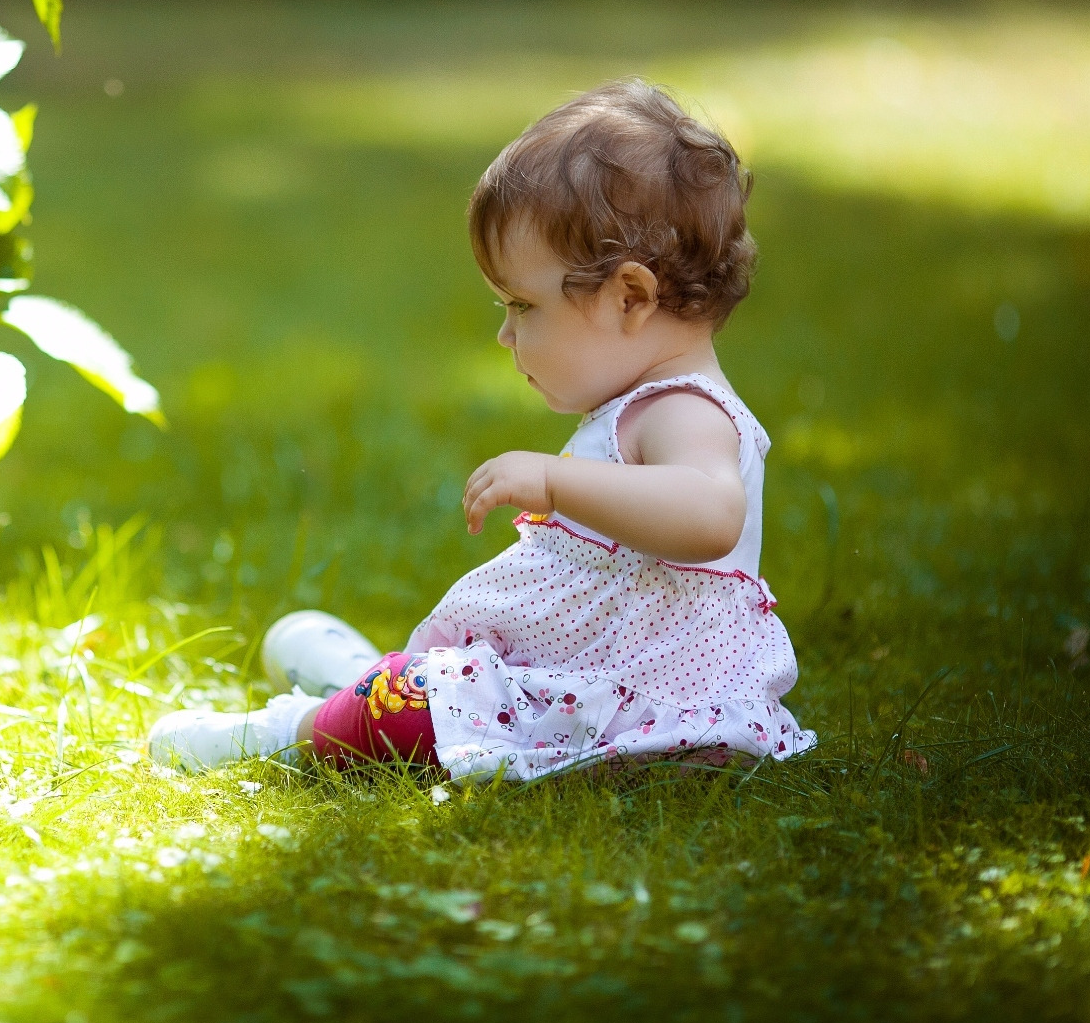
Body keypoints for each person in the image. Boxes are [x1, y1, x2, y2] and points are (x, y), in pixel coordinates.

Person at [149, 79, 815, 780]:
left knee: (410, 709)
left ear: (630, 296)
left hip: (649, 710)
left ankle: (289, 730)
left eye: (523, 306)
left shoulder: (686, 411)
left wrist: (557, 480)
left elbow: (712, 514)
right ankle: (365, 680)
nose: (505, 334)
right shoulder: (645, 403)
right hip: (587, 690)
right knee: (435, 695)